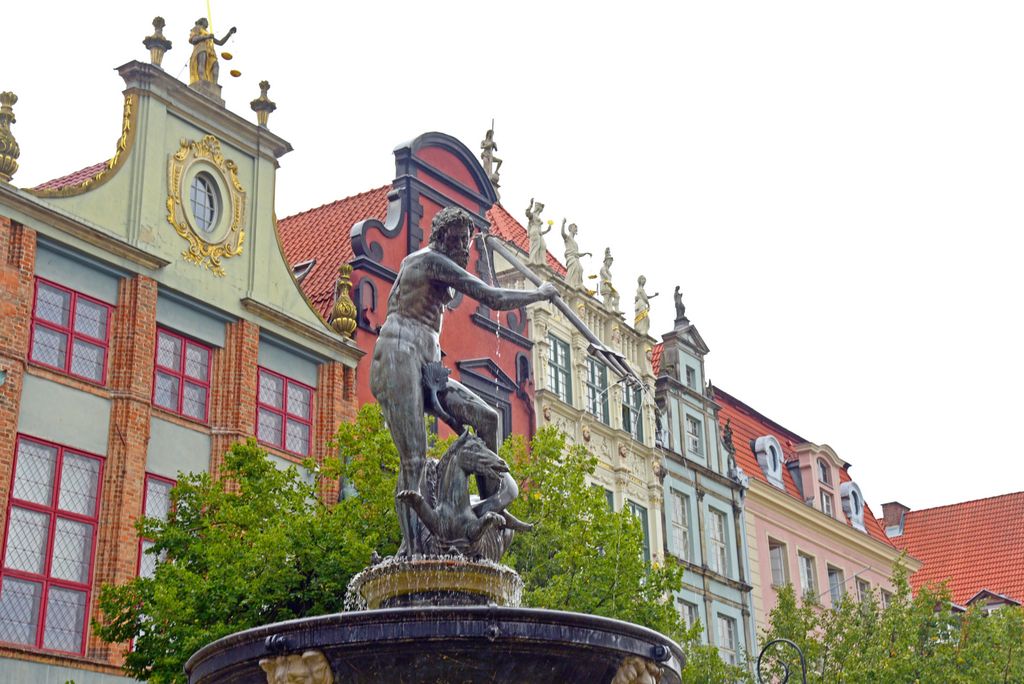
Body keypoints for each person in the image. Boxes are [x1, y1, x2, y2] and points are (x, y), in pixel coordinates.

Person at [369, 206, 558, 555]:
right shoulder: (428, 260)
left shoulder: (442, 264)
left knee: (489, 418)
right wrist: (539, 293)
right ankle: (412, 554)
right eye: (455, 240)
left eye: (465, 242)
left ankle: (491, 523)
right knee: (415, 459)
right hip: (398, 355)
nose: (460, 249)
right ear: (440, 239)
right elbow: (491, 297)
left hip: (426, 363)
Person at [189, 18, 236, 85]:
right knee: (202, 64)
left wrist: (229, 33)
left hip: (211, 53)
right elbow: (193, 39)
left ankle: (214, 84)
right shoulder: (197, 28)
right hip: (201, 48)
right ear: (202, 21)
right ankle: (202, 81)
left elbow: (220, 42)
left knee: (216, 65)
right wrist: (206, 37)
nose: (207, 23)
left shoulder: (208, 33)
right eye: (206, 21)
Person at [561, 219, 591, 289]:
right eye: (575, 228)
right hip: (571, 257)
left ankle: (577, 284)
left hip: (576, 257)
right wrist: (563, 224)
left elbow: (577, 254)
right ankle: (569, 283)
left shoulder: (575, 242)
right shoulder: (568, 238)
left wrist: (586, 253)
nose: (576, 230)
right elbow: (562, 233)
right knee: (573, 268)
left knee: (580, 269)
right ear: (570, 229)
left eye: (576, 228)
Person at [525, 198, 551, 266]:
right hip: (534, 231)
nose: (537, 208)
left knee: (543, 246)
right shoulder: (533, 215)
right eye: (536, 206)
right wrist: (530, 205)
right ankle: (532, 260)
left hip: (538, 232)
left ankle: (542, 261)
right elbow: (527, 213)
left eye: (538, 206)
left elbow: (540, 232)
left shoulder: (537, 215)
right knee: (535, 246)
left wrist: (548, 230)